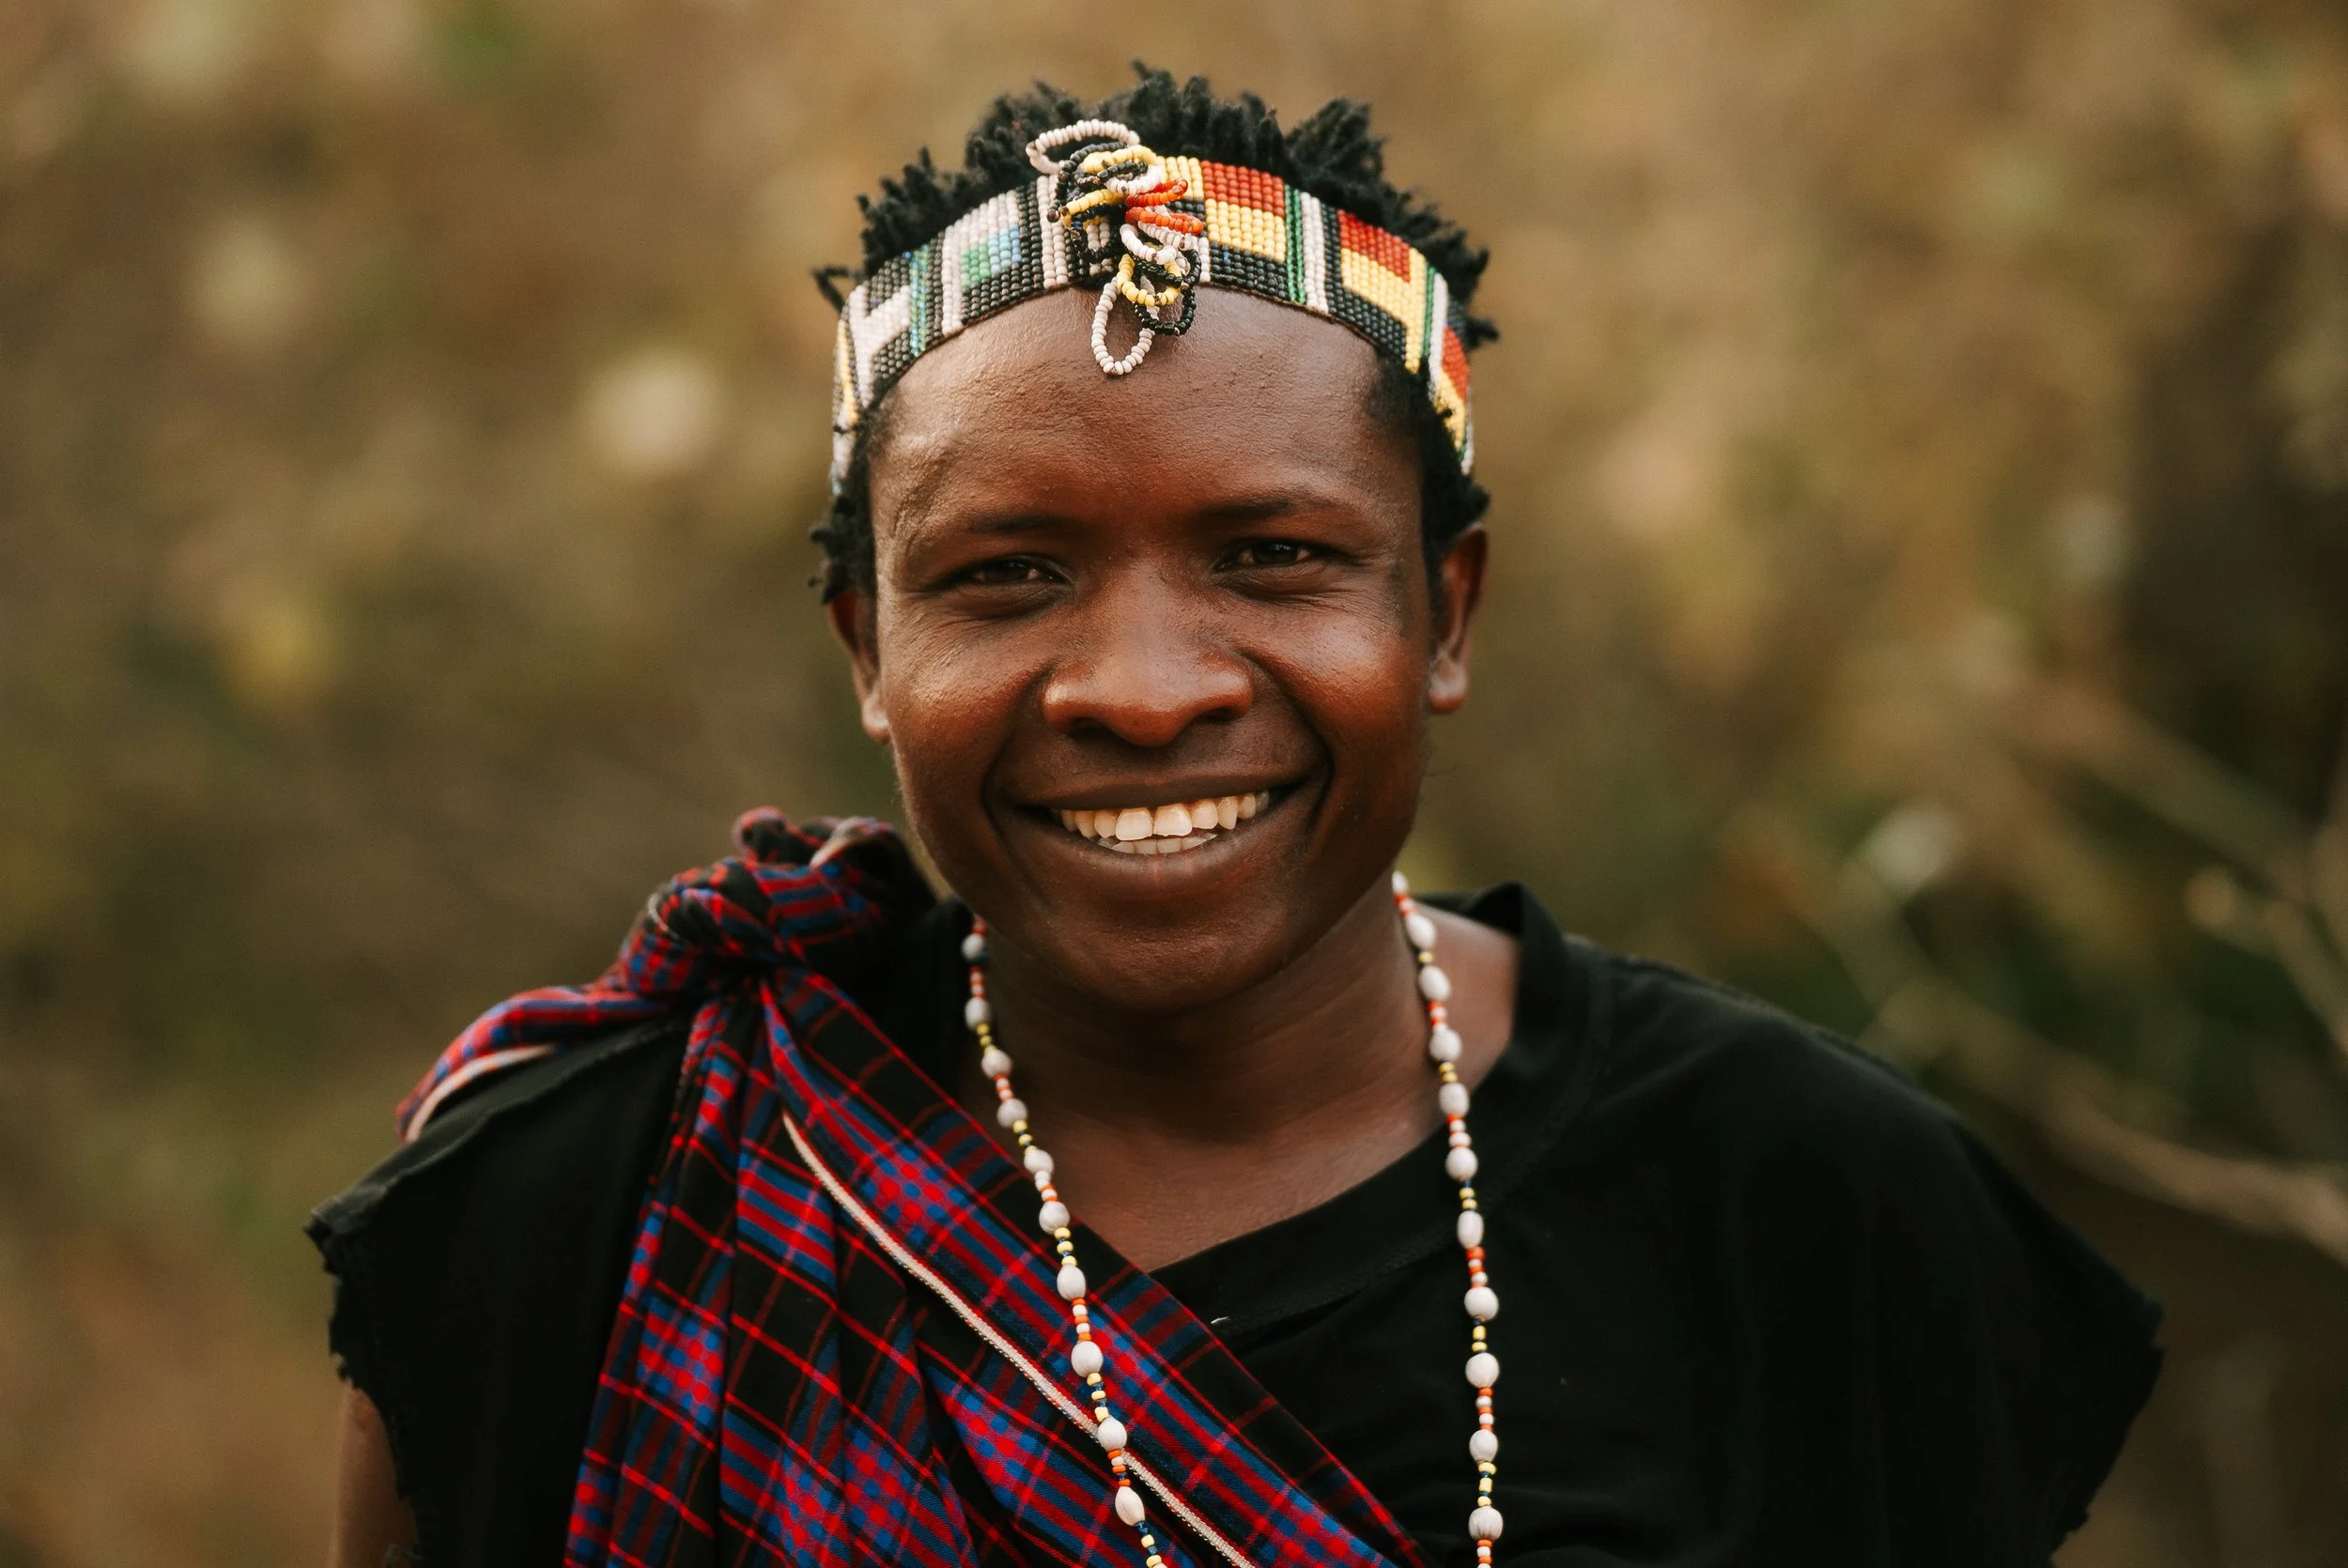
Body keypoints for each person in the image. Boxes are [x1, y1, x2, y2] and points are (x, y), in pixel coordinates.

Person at [313, 69, 2162, 1568]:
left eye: (1272, 559)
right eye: (1006, 573)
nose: (1137, 685)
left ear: (1442, 614)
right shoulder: (582, 1208)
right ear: (867, 646)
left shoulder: (1802, 1205)